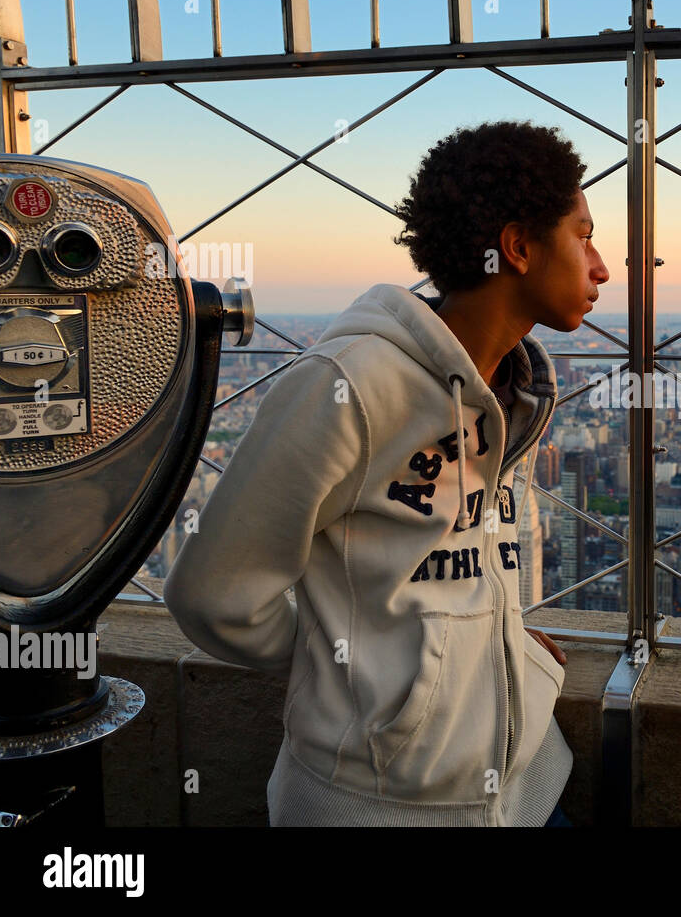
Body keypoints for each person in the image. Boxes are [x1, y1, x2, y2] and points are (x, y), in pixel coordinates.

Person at [163, 119, 609, 826]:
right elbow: (212, 593)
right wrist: (350, 666)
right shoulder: (348, 384)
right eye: (582, 235)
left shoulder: (507, 393)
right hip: (377, 807)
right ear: (519, 248)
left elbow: (440, 567)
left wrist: (500, 648)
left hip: (525, 789)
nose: (601, 266)